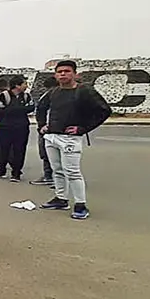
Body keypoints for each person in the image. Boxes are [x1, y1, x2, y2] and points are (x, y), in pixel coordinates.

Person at [37, 60, 112, 220]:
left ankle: (80, 204)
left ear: (75, 74)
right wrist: (42, 126)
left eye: (67, 71)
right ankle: (61, 198)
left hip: (70, 138)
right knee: (57, 170)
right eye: (60, 72)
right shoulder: (54, 92)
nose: (63, 74)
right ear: (55, 75)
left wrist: (83, 128)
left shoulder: (84, 91)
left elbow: (104, 111)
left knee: (72, 172)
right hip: (51, 137)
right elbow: (41, 107)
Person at [0, 75, 35, 182]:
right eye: (24, 83)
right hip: (5, 127)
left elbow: (31, 108)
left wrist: (14, 109)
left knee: (19, 150)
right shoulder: (3, 96)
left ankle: (16, 173)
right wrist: (20, 109)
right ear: (17, 85)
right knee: (3, 150)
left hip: (22, 127)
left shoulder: (27, 96)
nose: (26, 86)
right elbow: (2, 109)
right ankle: (0, 170)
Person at [30, 76, 58, 186]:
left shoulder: (53, 96)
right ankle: (50, 175)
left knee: (48, 154)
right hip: (44, 128)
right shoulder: (50, 95)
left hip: (48, 129)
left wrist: (46, 125)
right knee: (46, 153)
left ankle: (50, 176)